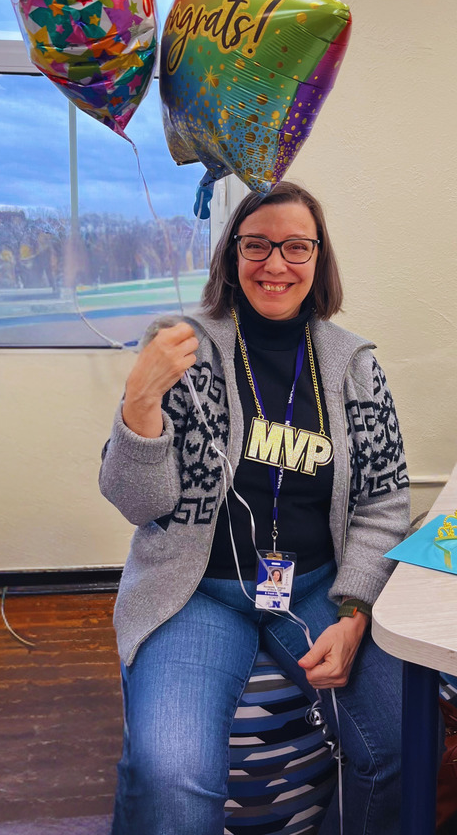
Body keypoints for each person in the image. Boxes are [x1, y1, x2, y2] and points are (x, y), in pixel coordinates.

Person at [99, 181, 410, 835]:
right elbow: (139, 504)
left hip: (316, 587)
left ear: (318, 258)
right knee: (168, 771)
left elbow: (384, 500)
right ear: (230, 256)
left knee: (398, 748)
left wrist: (353, 611)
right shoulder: (183, 351)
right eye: (256, 245)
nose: (275, 263)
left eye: (295, 246)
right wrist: (139, 404)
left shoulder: (353, 366)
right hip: (199, 595)